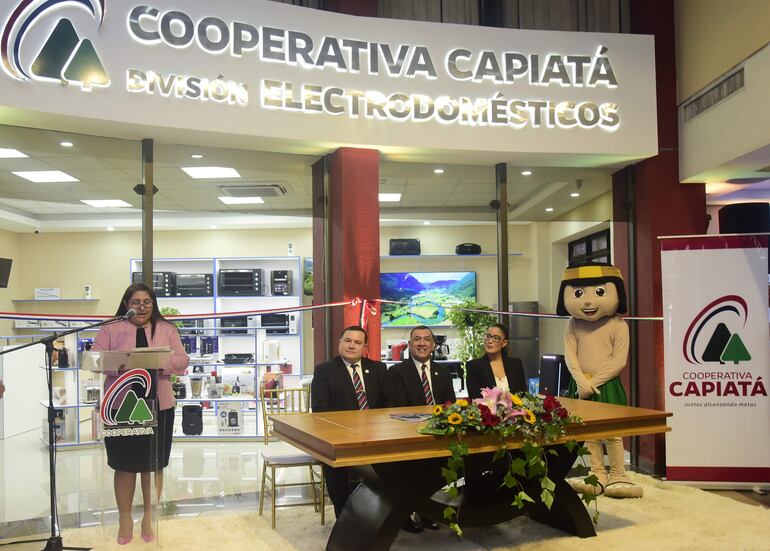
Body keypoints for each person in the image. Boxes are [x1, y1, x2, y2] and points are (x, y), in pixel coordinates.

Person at [94, 282, 189, 544]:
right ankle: (125, 518)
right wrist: (126, 363)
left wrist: (158, 363)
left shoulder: (168, 329)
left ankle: (149, 515)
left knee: (152, 464)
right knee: (124, 466)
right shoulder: (110, 328)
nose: (142, 307)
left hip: (160, 405)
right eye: (136, 302)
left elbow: (182, 361)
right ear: (126, 304)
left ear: (153, 304)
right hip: (121, 406)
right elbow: (95, 359)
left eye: (147, 302)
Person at [556, 262, 642, 498]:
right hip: (580, 384)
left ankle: (618, 474)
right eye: (579, 293)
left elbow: (619, 361)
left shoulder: (618, 325)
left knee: (612, 432)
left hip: (607, 384)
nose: (588, 301)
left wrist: (592, 383)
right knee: (589, 434)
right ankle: (597, 474)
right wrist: (581, 380)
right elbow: (570, 355)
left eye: (599, 292)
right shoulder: (572, 324)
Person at [384, 325, 456, 532]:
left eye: (426, 340)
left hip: (438, 434)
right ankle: (404, 515)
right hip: (408, 435)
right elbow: (393, 407)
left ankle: (425, 512)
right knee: (409, 475)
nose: (422, 343)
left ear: (433, 345)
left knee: (432, 476)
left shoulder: (442, 372)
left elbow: (449, 403)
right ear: (410, 345)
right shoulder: (396, 372)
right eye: (417, 339)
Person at [311, 325, 387, 519]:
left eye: (357, 342)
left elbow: (388, 403)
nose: (351, 346)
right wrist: (349, 430)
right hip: (341, 438)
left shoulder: (378, 369)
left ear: (365, 347)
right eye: (347, 341)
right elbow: (320, 409)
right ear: (340, 343)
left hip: (376, 436)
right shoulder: (324, 371)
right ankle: (344, 519)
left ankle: (392, 515)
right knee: (335, 465)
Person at [465, 323, 526, 399]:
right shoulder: (474, 366)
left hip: (515, 410)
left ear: (504, 343)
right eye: (488, 336)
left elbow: (523, 395)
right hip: (486, 410)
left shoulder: (515, 364)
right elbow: (474, 398)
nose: (490, 341)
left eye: (496, 338)